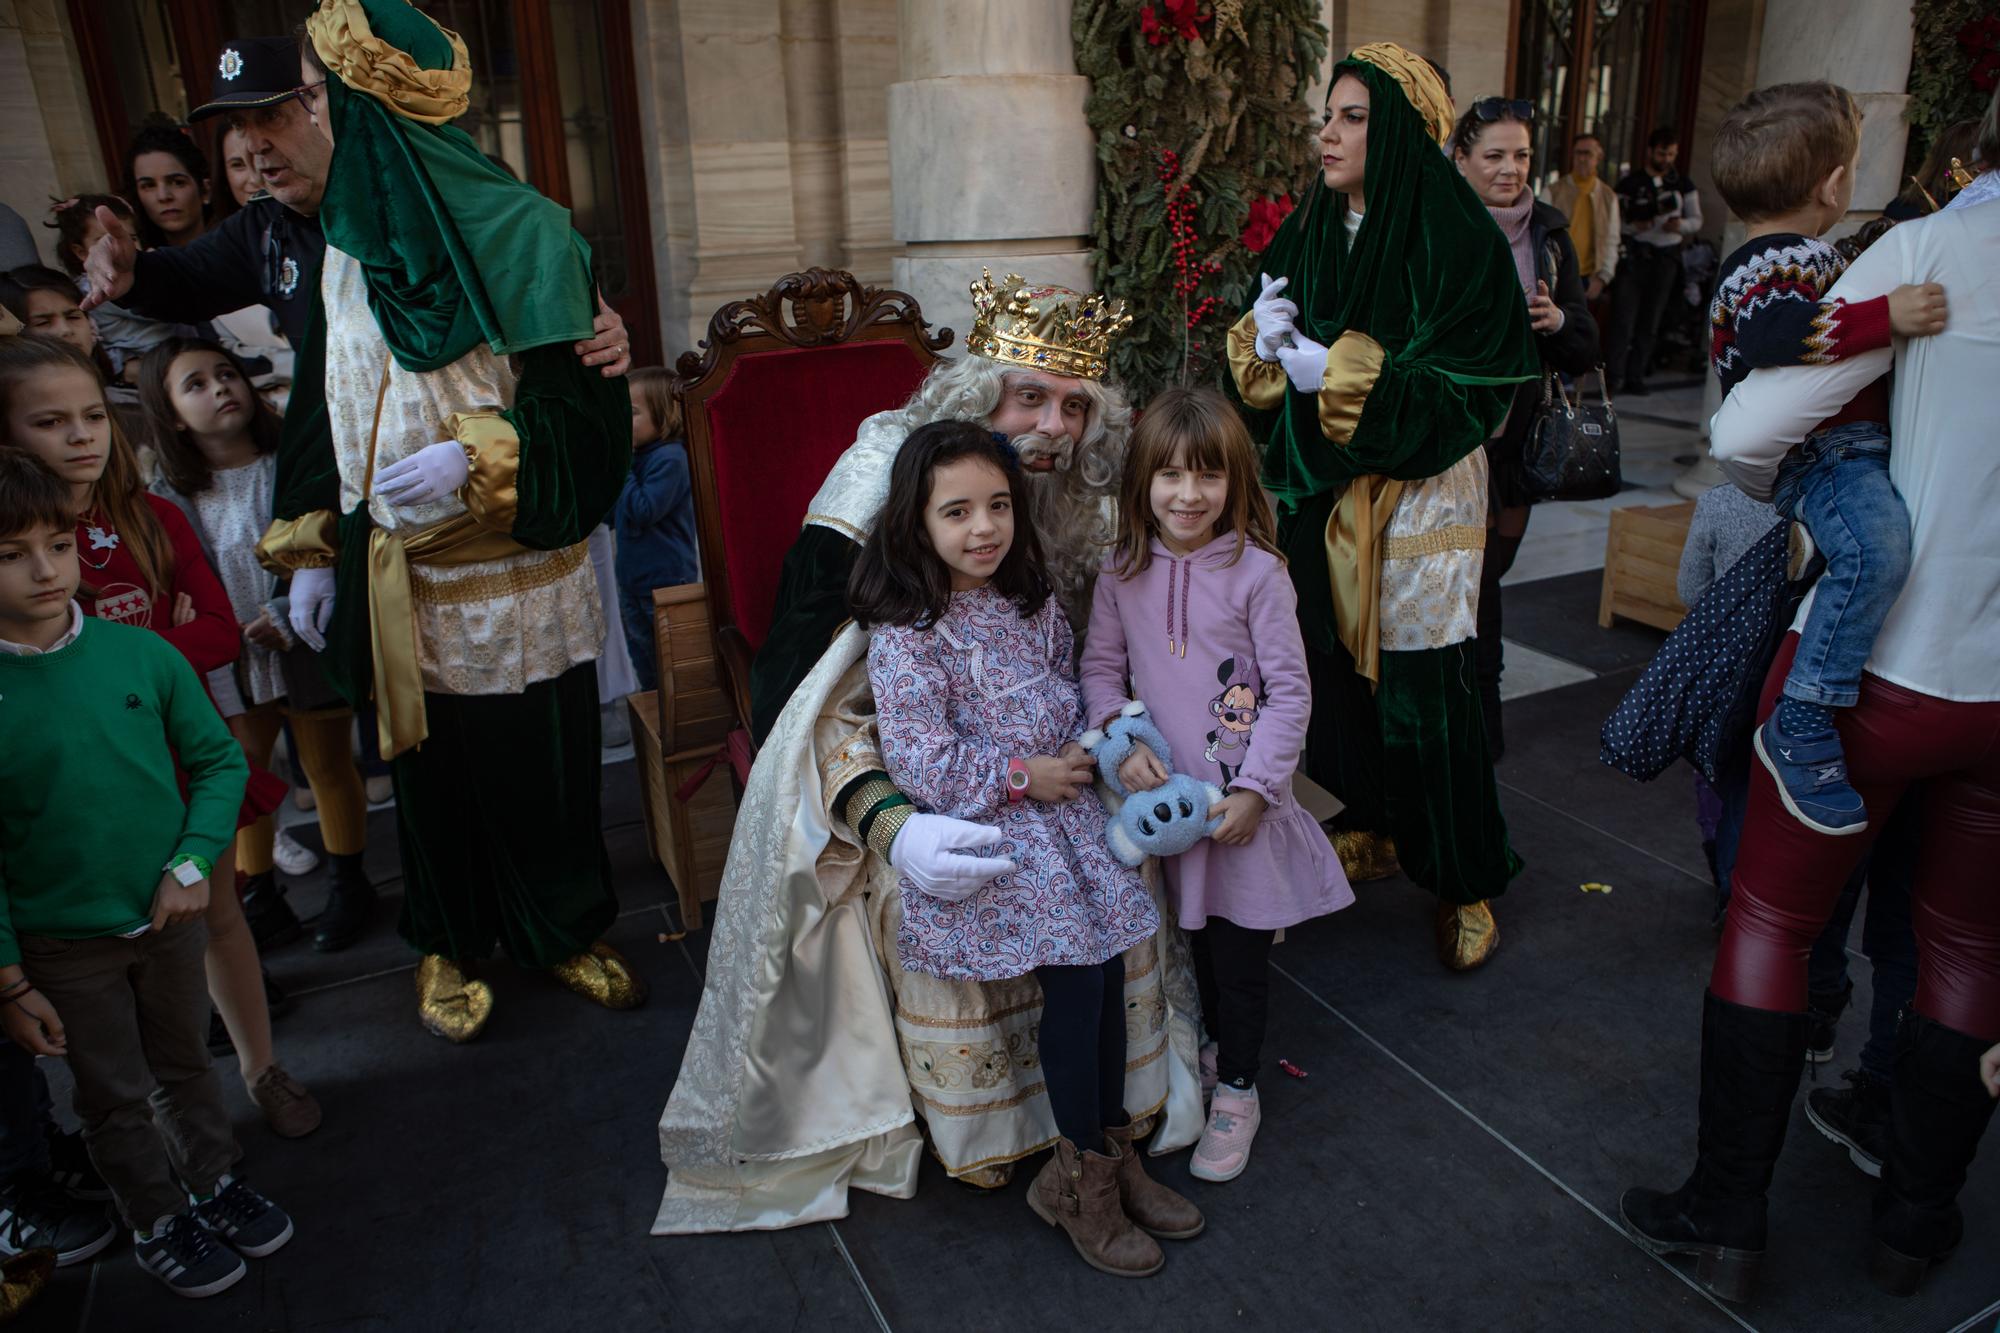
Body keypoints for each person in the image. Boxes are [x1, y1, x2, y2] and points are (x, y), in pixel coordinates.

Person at [655, 273, 1205, 1234]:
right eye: (1028, 396)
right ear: (974, 399)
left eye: (1075, 406)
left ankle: (1106, 1143)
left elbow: (1082, 662)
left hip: (1059, 780)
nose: (1053, 427)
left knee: (1111, 942)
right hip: (902, 762)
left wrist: (1114, 743)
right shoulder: (893, 490)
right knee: (1044, 931)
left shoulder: (1056, 517)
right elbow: (807, 686)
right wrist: (890, 821)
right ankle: (1064, 1160)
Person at [1620, 86, 2000, 1302]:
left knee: (1772, 925)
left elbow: (1747, 420)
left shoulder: (1929, 246)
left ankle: (1726, 1216)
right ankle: (1913, 1221)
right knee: (1964, 940)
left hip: (1887, 668)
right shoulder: (1867, 247)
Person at [255, 0, 641, 1042]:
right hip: (397, 577)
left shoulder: (526, 234)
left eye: (320, 97)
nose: (311, 117)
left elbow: (588, 420)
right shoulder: (343, 250)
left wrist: (480, 456)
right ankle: (447, 933)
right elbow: (318, 398)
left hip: (513, 570)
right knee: (428, 779)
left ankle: (560, 926)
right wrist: (313, 539)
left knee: (542, 763)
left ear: (368, 109)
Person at [854, 419, 1194, 1277]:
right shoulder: (909, 633)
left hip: (1067, 809)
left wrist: (1091, 744)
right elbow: (921, 758)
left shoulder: (1030, 599)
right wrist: (1020, 776)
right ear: (916, 522)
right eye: (958, 510)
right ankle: (1078, 1177)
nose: (984, 528)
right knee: (1080, 981)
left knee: (1113, 965)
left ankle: (1109, 1156)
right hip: (998, 826)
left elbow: (1069, 682)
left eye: (999, 505)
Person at [1227, 43, 1538, 968]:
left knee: (1425, 692)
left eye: (1352, 116)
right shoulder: (1315, 225)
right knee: (1325, 673)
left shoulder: (1456, 237)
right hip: (1323, 488)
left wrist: (1347, 373)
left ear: (1398, 130)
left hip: (1422, 492)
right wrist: (1264, 342)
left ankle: (1464, 871)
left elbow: (1479, 388)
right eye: (1328, 114)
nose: (1328, 132)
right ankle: (1378, 821)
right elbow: (1257, 351)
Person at [1, 334, 315, 1138]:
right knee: (104, 963)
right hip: (65, 787)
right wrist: (141, 650)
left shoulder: (151, 516)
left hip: (174, 758)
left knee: (216, 919)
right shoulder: (18, 553)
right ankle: (147, 1129)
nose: (81, 436)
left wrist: (113, 655)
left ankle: (260, 1069)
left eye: (92, 416)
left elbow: (216, 631)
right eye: (50, 421)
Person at [0, 447, 294, 1299]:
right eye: (11, 553)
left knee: (185, 1066)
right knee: (113, 1093)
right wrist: (12, 981)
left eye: (56, 544)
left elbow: (218, 764)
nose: (44, 568)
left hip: (171, 917)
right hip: (64, 944)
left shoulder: (143, 657)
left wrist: (194, 862)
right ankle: (156, 1213)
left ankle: (213, 1180)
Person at [1079, 387, 1352, 1183]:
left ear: (1235, 481)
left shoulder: (1259, 573)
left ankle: (1238, 1086)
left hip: (1236, 811)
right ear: (1142, 483)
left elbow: (1290, 691)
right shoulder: (1120, 570)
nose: (1188, 494)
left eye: (1206, 476)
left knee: (1238, 957)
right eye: (1168, 475)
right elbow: (1100, 668)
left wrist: (1259, 790)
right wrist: (1118, 743)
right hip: (1165, 813)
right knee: (1191, 945)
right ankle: (1205, 1051)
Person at [78, 35, 631, 380]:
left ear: (331, 107)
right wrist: (132, 274)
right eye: (238, 127)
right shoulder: (264, 230)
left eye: (272, 117)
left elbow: (551, 312)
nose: (253, 146)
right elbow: (184, 281)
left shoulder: (449, 204)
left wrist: (592, 328)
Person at [1707, 82, 1949, 837]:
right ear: (1834, 182)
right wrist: (1890, 316)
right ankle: (1805, 715)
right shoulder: (1762, 263)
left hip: (1846, 449)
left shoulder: (1799, 252)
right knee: (1878, 552)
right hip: (1825, 456)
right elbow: (1781, 334)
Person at [138, 335, 372, 960]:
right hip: (231, 659)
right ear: (170, 414)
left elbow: (328, 540)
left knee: (325, 763)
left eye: (227, 374)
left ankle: (350, 883)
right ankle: (261, 893)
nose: (220, 388)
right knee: (242, 771)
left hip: (301, 640)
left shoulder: (287, 465)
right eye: (196, 384)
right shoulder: (169, 495)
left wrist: (284, 610)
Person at [1449, 97, 1599, 758]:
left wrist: (1557, 324)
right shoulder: (1434, 226)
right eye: (1495, 155)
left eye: (1522, 156)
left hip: (1516, 443)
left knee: (1491, 575)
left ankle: (1474, 725)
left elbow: (1587, 343)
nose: (1511, 170)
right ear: (1461, 159)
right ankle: (1478, 733)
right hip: (1453, 447)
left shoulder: (1550, 236)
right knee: (1475, 592)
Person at [614, 367, 697, 692]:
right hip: (633, 582)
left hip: (663, 585)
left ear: (664, 415)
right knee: (644, 662)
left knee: (667, 666)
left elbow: (643, 509)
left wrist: (622, 466)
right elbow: (618, 514)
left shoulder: (670, 458)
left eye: (632, 412)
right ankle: (654, 721)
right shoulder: (640, 457)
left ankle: (674, 727)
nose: (623, 419)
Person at [1606, 127, 1703, 395]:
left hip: (1665, 257)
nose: (1666, 159)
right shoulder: (1629, 184)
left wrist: (1679, 225)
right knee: (1623, 318)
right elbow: (1615, 222)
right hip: (1635, 254)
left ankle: (1636, 375)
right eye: (1662, 153)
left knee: (1651, 319)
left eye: (1671, 154)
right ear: (1650, 151)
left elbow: (1696, 220)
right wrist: (1635, 225)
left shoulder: (1683, 185)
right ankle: (1614, 376)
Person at [1545, 131, 1620, 304]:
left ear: (1599, 157)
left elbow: (1611, 240)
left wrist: (1603, 277)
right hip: (1557, 274)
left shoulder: (1609, 197)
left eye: (1588, 153)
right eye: (1579, 153)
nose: (1583, 159)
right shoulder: (1553, 191)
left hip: (1589, 278)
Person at [122, 125, 212, 251]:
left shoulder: (239, 247)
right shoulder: (135, 259)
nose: (163, 196)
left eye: (177, 182)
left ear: (205, 190)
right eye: (149, 186)